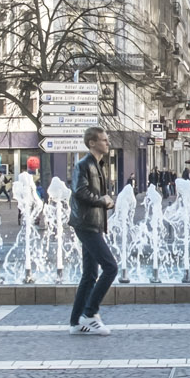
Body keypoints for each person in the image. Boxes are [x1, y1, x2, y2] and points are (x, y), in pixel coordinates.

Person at [67, 127, 119, 335]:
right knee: (110, 267)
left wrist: (106, 202)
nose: (107, 143)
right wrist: (102, 201)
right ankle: (90, 313)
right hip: (86, 223)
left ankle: (75, 323)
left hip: (92, 223)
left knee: (90, 274)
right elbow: (79, 191)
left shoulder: (98, 165)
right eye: (104, 140)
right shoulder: (84, 165)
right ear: (92, 143)